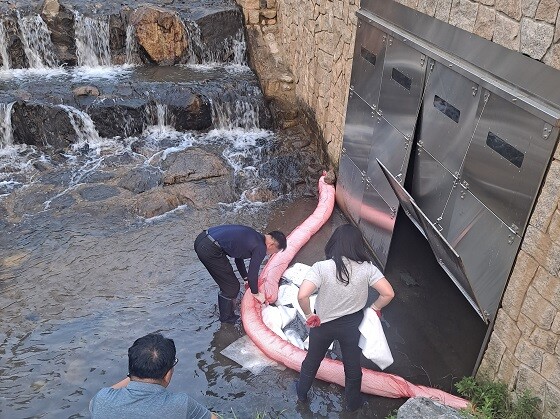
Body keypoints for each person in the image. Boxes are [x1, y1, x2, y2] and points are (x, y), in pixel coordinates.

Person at [296, 224, 395, 412]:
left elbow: (302, 295)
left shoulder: (322, 267)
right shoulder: (367, 268)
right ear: (358, 245)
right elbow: (388, 293)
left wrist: (310, 315)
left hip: (322, 324)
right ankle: (352, 404)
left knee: (312, 361)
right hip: (352, 325)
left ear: (335, 243)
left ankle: (301, 395)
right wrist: (374, 308)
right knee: (352, 366)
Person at [90, 333, 217, 419]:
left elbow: (103, 397)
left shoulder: (102, 399)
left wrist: (137, 372)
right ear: (168, 374)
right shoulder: (181, 404)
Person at [194, 224, 287, 323]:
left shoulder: (254, 236)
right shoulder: (261, 247)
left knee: (229, 283)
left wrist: (245, 278)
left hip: (202, 239)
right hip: (209, 249)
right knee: (231, 287)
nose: (269, 254)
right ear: (271, 245)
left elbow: (238, 258)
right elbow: (253, 274)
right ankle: (226, 318)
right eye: (273, 252)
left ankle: (227, 305)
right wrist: (256, 293)